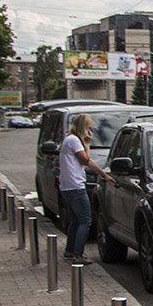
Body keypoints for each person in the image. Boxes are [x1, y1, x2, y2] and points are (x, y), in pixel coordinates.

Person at [59, 113, 116, 264]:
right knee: (85, 220)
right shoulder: (74, 140)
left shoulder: (69, 139)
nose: (90, 130)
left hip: (67, 186)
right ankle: (78, 255)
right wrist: (88, 143)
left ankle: (70, 250)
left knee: (76, 220)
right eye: (89, 127)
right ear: (83, 127)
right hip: (75, 186)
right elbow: (86, 160)